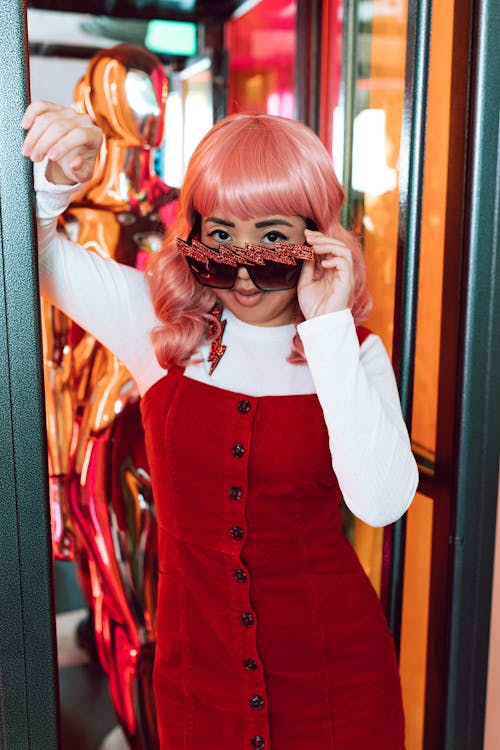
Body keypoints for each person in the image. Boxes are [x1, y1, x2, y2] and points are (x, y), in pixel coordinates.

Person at [22, 99, 418, 750]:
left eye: (271, 239)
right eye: (220, 237)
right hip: (197, 676)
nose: (241, 272)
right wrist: (63, 178)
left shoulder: (350, 348)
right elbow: (28, 254)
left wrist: (325, 325)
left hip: (335, 677)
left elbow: (380, 502)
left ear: (315, 234)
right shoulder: (159, 330)